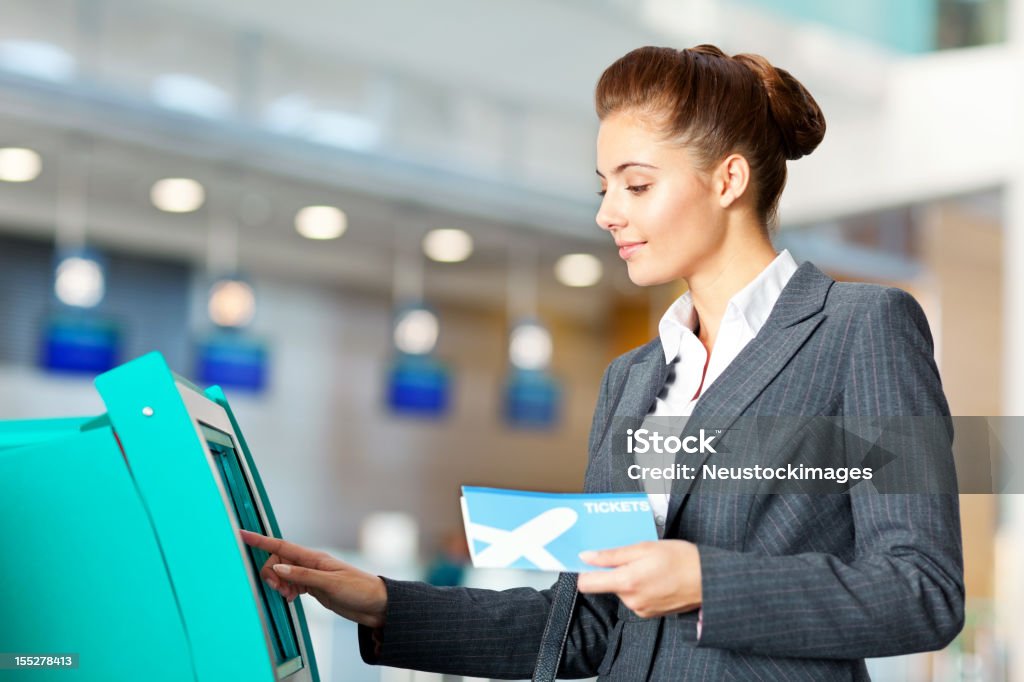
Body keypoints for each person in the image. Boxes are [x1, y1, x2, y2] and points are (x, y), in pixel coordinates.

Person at [242, 45, 964, 680]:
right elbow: (587, 629)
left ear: (727, 180)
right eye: (603, 186)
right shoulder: (634, 379)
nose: (606, 213)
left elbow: (921, 591)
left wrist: (710, 581)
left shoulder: (862, 330)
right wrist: (381, 600)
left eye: (637, 184)